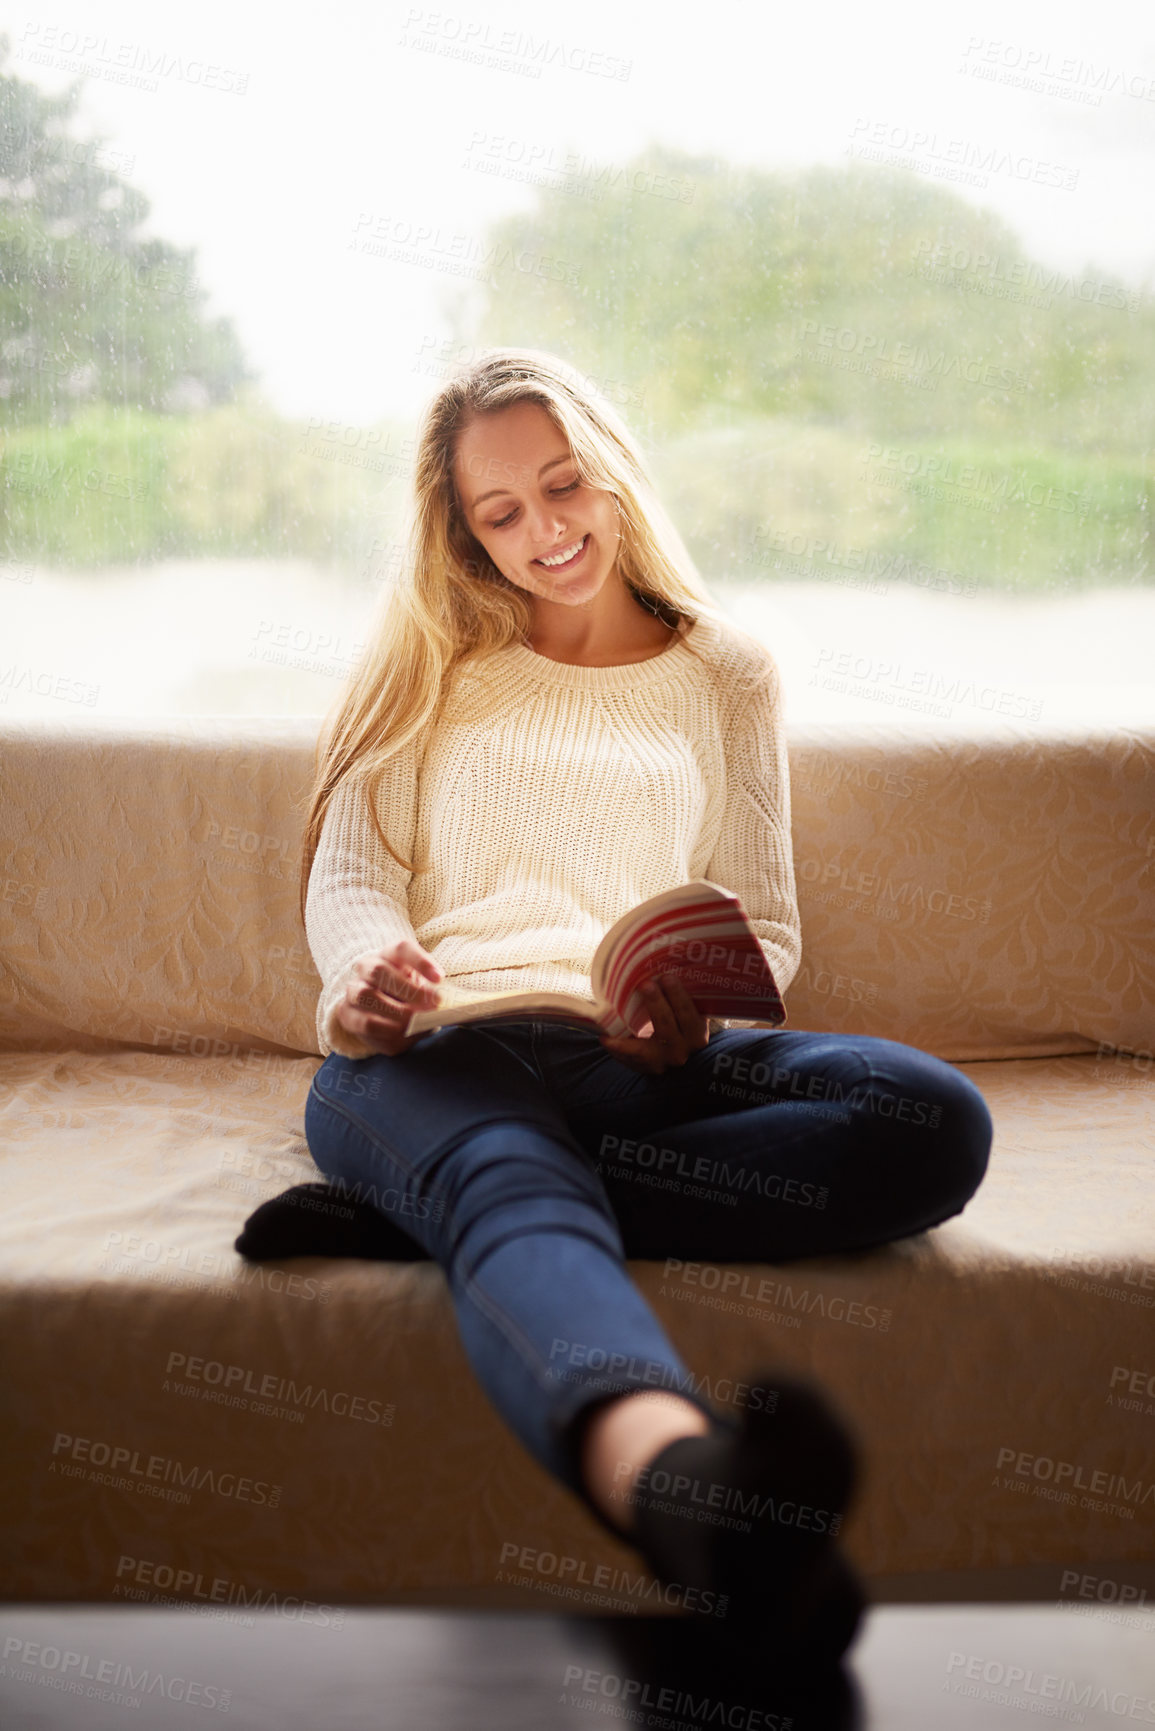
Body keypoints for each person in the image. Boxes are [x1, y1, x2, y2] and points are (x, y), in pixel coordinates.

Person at [287, 348, 993, 1664]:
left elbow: (762, 918)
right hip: (437, 1057)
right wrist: (365, 978)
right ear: (464, 533)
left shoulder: (726, 670)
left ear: (612, 473)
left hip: (633, 1059)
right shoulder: (432, 668)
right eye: (500, 513)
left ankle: (437, 1211)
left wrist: (691, 1012)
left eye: (563, 487)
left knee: (932, 1117)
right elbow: (352, 879)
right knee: (510, 1178)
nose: (544, 531)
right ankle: (695, 1504)